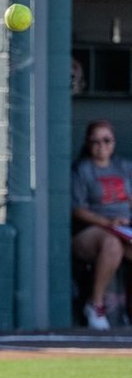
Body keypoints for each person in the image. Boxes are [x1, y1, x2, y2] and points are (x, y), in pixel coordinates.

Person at [71, 119, 132, 330]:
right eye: (95, 141)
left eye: (107, 140)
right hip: (93, 230)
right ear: (88, 144)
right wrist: (107, 222)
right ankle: (95, 305)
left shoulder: (124, 167)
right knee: (112, 243)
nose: (101, 146)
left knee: (122, 242)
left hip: (125, 228)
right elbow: (77, 209)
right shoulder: (82, 170)